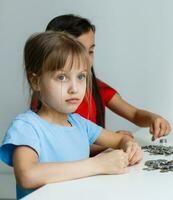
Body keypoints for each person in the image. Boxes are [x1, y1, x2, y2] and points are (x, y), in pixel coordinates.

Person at [0, 31, 143, 199]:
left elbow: (120, 139)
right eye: (62, 77)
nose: (74, 88)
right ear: (35, 81)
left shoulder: (80, 124)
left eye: (81, 76)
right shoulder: (26, 127)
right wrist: (96, 164)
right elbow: (27, 175)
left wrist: (130, 147)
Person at [31, 14, 171, 156]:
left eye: (90, 51)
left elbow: (134, 114)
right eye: (61, 77)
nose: (86, 59)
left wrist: (154, 119)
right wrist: (109, 142)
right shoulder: (45, 103)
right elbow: (58, 146)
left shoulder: (96, 89)